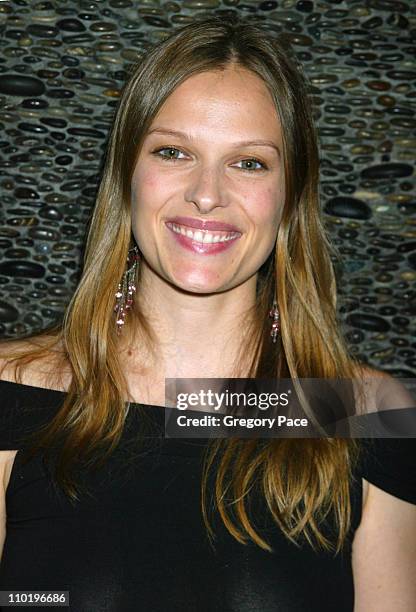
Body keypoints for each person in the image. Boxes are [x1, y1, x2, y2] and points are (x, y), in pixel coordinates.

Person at [0, 13, 415, 612]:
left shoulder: (365, 414)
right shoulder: (14, 391)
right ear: (126, 177)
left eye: (249, 162)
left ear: (290, 196)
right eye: (173, 151)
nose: (207, 193)